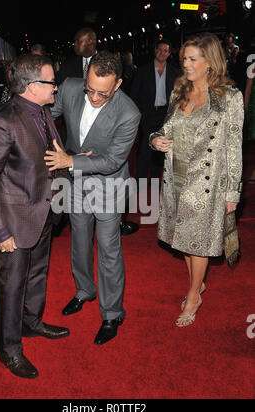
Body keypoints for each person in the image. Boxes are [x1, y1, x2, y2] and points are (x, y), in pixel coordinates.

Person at [0, 54, 70, 379]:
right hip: (14, 220)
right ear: (33, 86)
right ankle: (9, 349)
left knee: (38, 275)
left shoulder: (41, 110)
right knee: (12, 285)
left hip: (44, 213)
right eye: (51, 82)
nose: (56, 86)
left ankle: (31, 323)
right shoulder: (3, 120)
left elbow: (50, 157)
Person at [150, 33, 244, 327]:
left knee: (197, 243)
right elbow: (165, 128)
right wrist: (156, 141)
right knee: (184, 240)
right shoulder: (181, 90)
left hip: (205, 182)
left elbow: (233, 147)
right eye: (185, 59)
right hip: (176, 177)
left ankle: (193, 296)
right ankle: (198, 283)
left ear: (210, 63)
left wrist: (232, 192)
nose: (186, 65)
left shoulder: (229, 98)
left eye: (192, 59)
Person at [47, 51, 141, 345]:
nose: (94, 97)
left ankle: (112, 313)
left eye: (103, 93)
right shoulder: (72, 87)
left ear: (118, 84)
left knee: (109, 250)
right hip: (75, 183)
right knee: (79, 238)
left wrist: (70, 162)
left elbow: (113, 160)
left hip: (108, 185)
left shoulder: (129, 112)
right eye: (91, 89)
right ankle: (84, 290)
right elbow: (44, 116)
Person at [131, 38, 180, 180]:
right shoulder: (142, 71)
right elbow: (134, 94)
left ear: (169, 53)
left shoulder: (175, 73)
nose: (162, 53)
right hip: (147, 114)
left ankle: (153, 179)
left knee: (160, 149)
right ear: (155, 51)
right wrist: (139, 115)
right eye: (159, 49)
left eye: (165, 50)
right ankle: (139, 180)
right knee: (144, 148)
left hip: (166, 114)